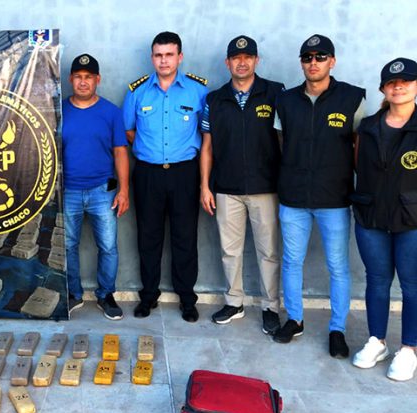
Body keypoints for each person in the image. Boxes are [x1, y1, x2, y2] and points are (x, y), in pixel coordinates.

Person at [273, 34, 366, 358]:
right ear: (301, 63)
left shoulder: (352, 98)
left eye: (320, 57)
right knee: (291, 261)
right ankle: (294, 319)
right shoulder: (285, 101)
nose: (314, 63)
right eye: (308, 57)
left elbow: (359, 147)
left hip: (334, 198)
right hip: (294, 197)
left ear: (332, 61)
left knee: (337, 266)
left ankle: (337, 329)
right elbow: (281, 143)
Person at [199, 36, 283, 334]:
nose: (242, 62)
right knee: (229, 250)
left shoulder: (275, 93)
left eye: (248, 57)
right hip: (227, 189)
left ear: (256, 60)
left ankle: (270, 307)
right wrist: (205, 186)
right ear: (228, 63)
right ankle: (234, 302)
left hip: (266, 187)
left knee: (268, 252)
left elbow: (285, 140)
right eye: (236, 58)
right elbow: (207, 147)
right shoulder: (214, 99)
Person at [123, 31, 208, 322]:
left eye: (169, 54)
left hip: (185, 173)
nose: (164, 60)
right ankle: (149, 296)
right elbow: (128, 131)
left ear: (179, 57)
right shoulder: (137, 91)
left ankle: (187, 299)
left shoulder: (197, 91)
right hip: (148, 174)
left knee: (185, 236)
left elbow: (206, 134)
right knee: (148, 237)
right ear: (152, 58)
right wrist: (152, 151)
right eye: (158, 55)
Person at [351, 57, 417, 381]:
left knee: (411, 284)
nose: (398, 86)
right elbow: (357, 165)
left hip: (412, 220)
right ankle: (377, 340)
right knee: (377, 280)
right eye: (392, 82)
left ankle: (409, 348)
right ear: (383, 89)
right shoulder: (367, 127)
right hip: (372, 216)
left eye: (406, 81)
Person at [62, 53, 129, 320]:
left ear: (97, 79)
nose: (83, 82)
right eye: (78, 77)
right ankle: (73, 294)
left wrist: (124, 190)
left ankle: (106, 295)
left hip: (103, 190)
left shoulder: (111, 112)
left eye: (88, 77)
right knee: (68, 246)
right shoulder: (58, 111)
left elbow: (120, 152)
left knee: (108, 246)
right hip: (67, 190)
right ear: (71, 79)